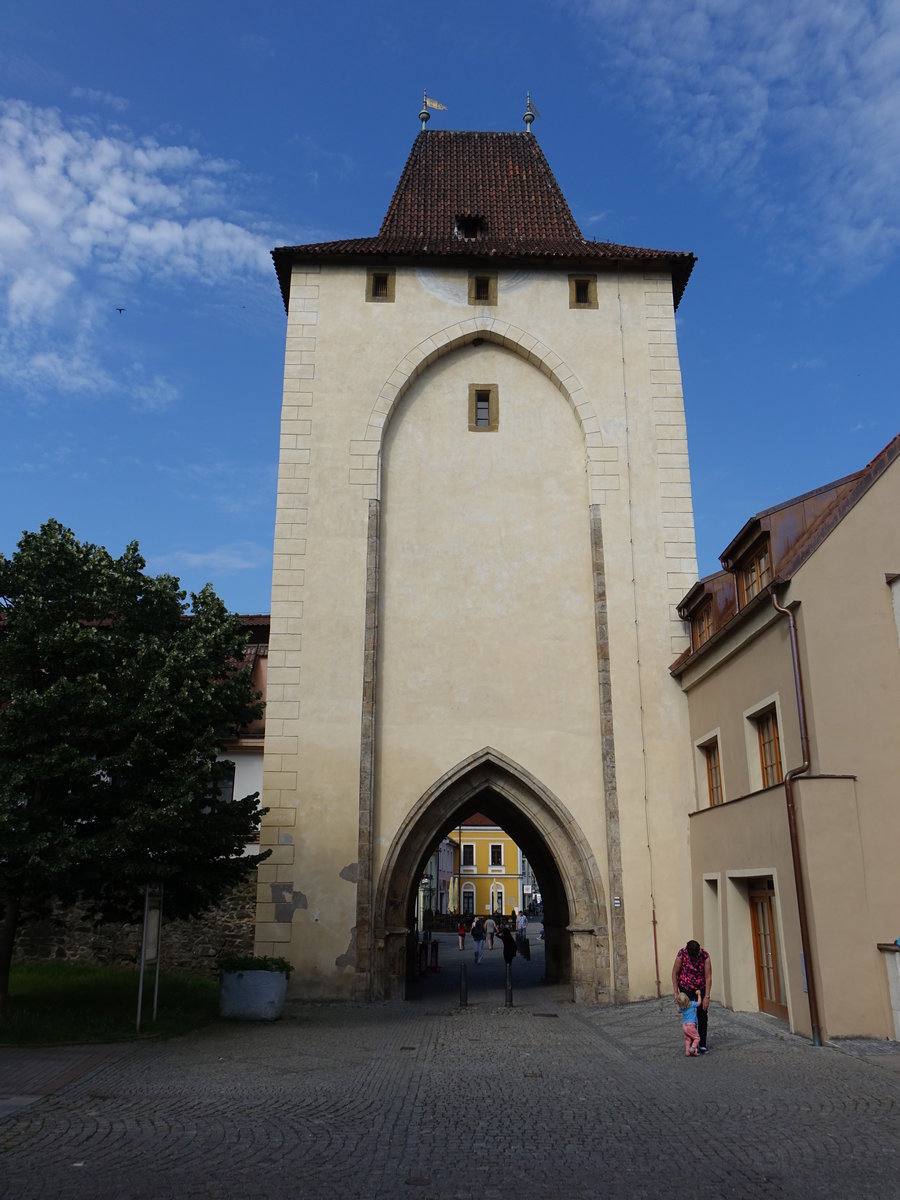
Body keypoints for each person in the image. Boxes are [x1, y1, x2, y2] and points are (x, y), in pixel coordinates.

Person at [672, 939, 712, 1052]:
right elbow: (674, 973)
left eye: (696, 955)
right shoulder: (682, 954)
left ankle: (702, 1044)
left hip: (701, 987)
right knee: (690, 1016)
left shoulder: (705, 956)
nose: (695, 958)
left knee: (702, 1013)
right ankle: (692, 1044)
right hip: (685, 987)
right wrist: (676, 992)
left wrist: (707, 997)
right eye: (692, 956)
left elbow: (708, 976)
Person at [677, 990, 702, 1056]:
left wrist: (677, 1004)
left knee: (688, 1039)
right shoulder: (692, 1004)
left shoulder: (682, 1008)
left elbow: (678, 1011)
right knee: (697, 1038)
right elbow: (699, 1003)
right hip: (691, 1025)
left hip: (684, 1026)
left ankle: (687, 1052)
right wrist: (699, 995)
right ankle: (692, 1049)